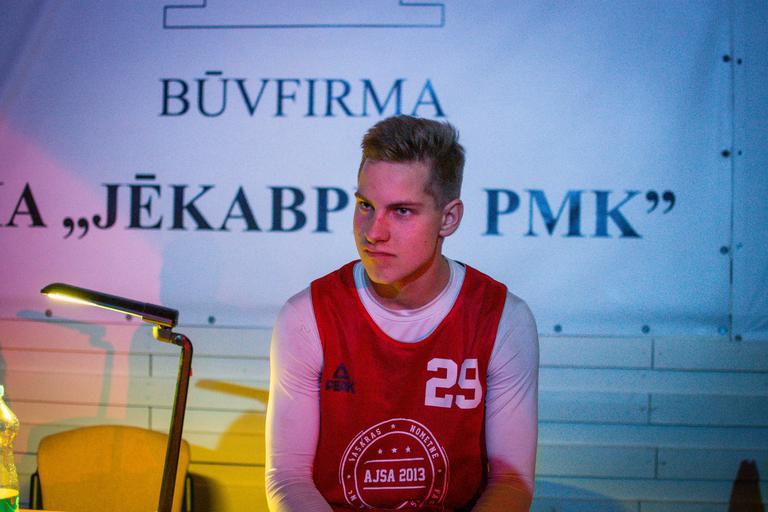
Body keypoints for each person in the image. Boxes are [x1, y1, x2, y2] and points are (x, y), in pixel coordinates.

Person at [265, 115, 539, 511]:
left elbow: (511, 481)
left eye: (402, 211)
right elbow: (288, 477)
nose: (373, 232)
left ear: (449, 218)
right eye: (365, 206)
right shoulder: (306, 316)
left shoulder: (503, 320)